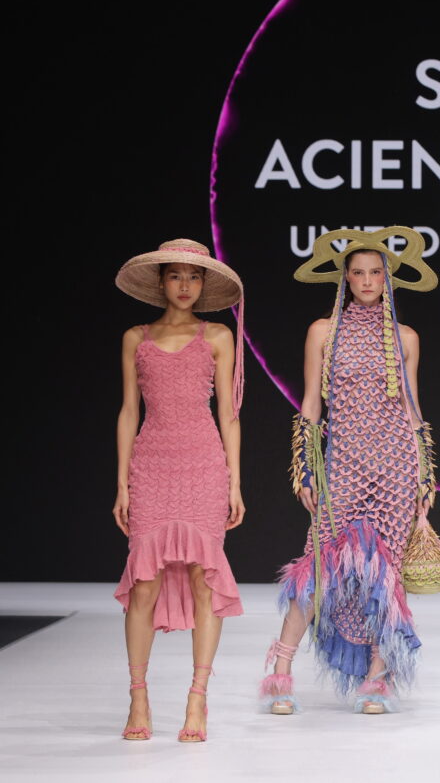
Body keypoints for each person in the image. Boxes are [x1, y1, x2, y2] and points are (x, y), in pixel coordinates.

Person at [260, 227, 438, 715]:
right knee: (317, 566)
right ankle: (280, 670)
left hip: (396, 467)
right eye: (358, 272)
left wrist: (425, 475)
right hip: (343, 464)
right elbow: (311, 405)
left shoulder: (405, 337)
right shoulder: (323, 332)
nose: (367, 280)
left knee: (387, 572)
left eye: (376, 272)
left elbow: (412, 409)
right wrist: (304, 469)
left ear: (388, 278)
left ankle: (377, 679)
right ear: (345, 278)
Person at [113, 238, 246, 743]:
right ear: (161, 282)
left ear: (204, 284)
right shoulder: (136, 337)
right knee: (143, 583)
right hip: (151, 465)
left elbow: (228, 414)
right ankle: (138, 696)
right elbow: (129, 411)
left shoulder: (218, 336)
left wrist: (235, 481)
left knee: (203, 578)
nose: (185, 285)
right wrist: (122, 482)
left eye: (194, 277)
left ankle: (197, 699)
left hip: (203, 465)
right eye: (175, 276)